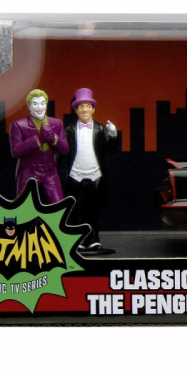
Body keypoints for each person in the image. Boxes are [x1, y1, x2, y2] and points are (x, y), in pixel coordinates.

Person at [64, 87, 119, 251]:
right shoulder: (69, 130)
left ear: (93, 109)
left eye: (88, 107)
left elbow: (112, 149)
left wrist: (113, 135)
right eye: (81, 107)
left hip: (96, 175)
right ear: (76, 110)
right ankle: (79, 240)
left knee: (94, 210)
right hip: (75, 176)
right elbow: (61, 151)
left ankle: (94, 239)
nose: (85, 110)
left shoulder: (100, 129)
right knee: (75, 210)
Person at [10, 88, 68, 204]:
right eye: (35, 104)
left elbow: (65, 149)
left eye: (42, 103)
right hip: (28, 172)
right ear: (29, 106)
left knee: (58, 205)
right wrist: (39, 139)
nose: (39, 107)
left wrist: (53, 138)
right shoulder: (18, 125)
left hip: (50, 172)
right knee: (24, 205)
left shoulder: (56, 123)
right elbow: (16, 151)